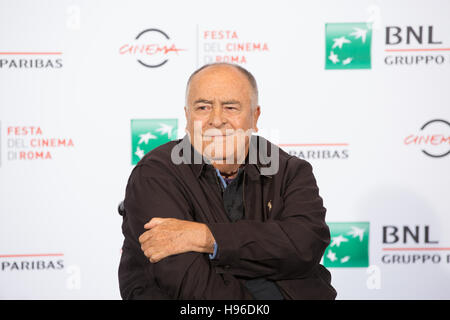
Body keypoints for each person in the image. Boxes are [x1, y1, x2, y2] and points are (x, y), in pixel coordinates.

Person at [118, 63, 336, 299]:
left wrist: (208, 238)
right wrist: (265, 261)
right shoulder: (156, 174)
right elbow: (187, 281)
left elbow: (304, 247)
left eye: (231, 107)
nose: (216, 120)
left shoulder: (290, 170)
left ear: (255, 116)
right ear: (187, 116)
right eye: (203, 107)